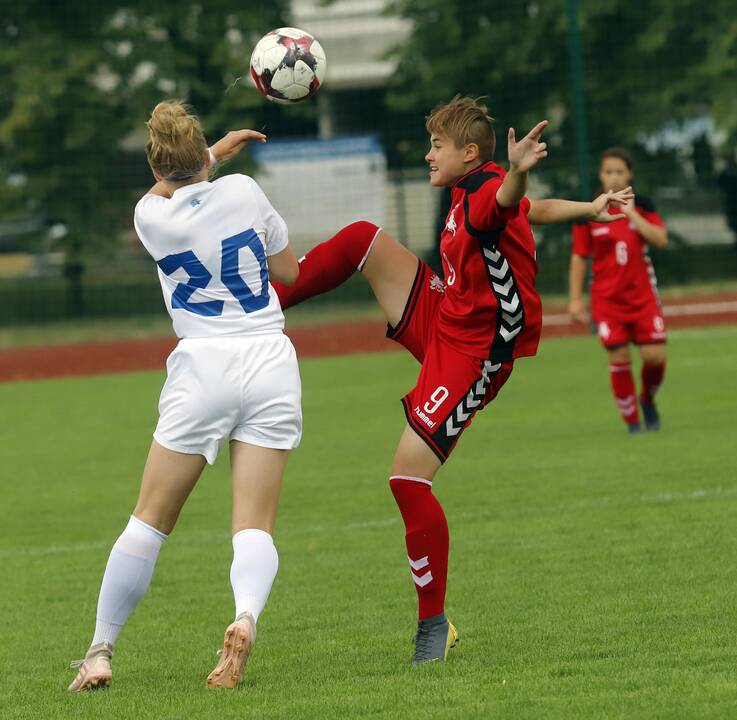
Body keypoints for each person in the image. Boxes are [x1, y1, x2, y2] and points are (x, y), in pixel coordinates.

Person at [270, 96, 632, 664]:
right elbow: (530, 209)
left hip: (477, 354)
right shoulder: (471, 187)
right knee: (363, 239)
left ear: (469, 153)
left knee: (406, 480)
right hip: (449, 314)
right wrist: (588, 208)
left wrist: (515, 170)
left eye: (436, 146)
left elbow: (509, 200)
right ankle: (263, 306)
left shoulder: (489, 189)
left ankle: (434, 625)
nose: (426, 154)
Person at [68, 101, 302, 691]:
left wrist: (203, 157)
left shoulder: (150, 215)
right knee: (254, 526)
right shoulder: (246, 191)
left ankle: (99, 651)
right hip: (270, 360)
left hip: (202, 368)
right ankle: (245, 616)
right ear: (203, 155)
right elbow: (291, 272)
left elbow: (168, 187)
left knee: (148, 522)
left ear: (156, 162)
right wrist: (216, 159)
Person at [568, 148, 668, 433]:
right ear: (600, 175)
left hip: (643, 297)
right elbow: (579, 256)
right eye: (608, 171)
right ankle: (633, 425)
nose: (613, 176)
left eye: (619, 171)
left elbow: (661, 239)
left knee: (655, 357)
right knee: (620, 357)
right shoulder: (588, 210)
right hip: (607, 300)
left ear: (629, 174)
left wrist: (632, 215)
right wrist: (576, 299)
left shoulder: (644, 205)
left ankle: (647, 398)